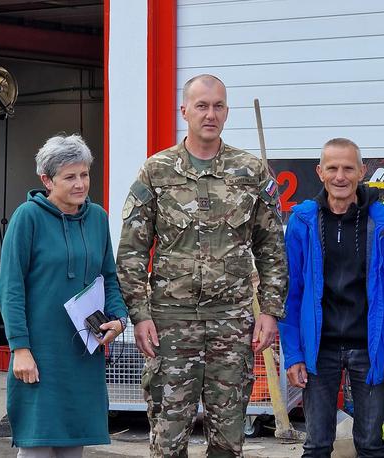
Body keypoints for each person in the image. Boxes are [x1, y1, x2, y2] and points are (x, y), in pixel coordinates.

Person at [116, 74, 287, 458]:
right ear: (185, 111)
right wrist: (139, 315)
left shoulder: (251, 172)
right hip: (170, 325)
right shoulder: (156, 172)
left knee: (228, 441)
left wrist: (271, 311)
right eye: (202, 106)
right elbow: (131, 251)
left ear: (227, 111)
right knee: (168, 438)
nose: (210, 114)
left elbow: (272, 248)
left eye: (218, 106)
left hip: (232, 322)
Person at [279, 138, 384, 457]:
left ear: (362, 171)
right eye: (333, 168)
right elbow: (290, 293)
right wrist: (294, 353)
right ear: (320, 172)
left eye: (348, 168)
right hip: (319, 348)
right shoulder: (303, 222)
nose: (340, 176)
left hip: (370, 348)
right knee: (316, 444)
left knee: (370, 444)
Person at [0, 134, 128, 458]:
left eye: (84, 174)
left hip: (83, 355)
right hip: (40, 354)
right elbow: (10, 288)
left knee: (74, 446)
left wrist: (119, 318)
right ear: (47, 179)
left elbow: (108, 278)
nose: (80, 183)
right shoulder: (27, 218)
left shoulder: (97, 218)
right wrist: (20, 348)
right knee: (38, 446)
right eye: (70, 177)